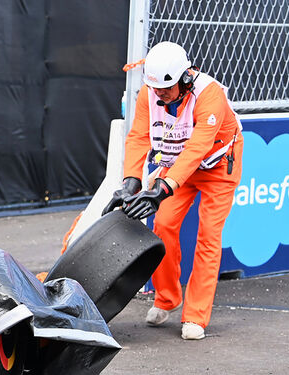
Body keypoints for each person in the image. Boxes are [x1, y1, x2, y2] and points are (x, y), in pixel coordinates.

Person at [104, 41, 242, 340]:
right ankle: (167, 298)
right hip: (178, 165)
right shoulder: (149, 94)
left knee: (208, 236)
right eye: (155, 89)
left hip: (217, 168)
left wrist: (164, 186)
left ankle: (196, 315)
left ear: (186, 78)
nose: (160, 95)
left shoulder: (210, 94)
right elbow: (139, 136)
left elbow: (198, 146)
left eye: (166, 89)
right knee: (163, 225)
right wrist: (131, 181)